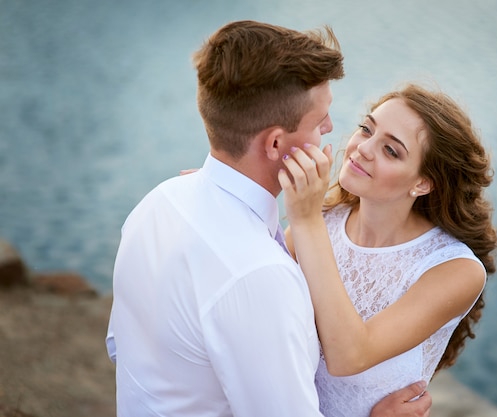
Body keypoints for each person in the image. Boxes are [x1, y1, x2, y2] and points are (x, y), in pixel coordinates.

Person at [105, 20, 432, 417]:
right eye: (319, 121)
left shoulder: (159, 201)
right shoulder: (261, 276)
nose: (332, 129)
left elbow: (119, 347)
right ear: (276, 143)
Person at [278, 83, 497, 417]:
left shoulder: (455, 270)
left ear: (422, 183)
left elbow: (348, 356)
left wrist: (306, 220)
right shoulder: (322, 220)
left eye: (391, 150)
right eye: (367, 129)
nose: (363, 148)